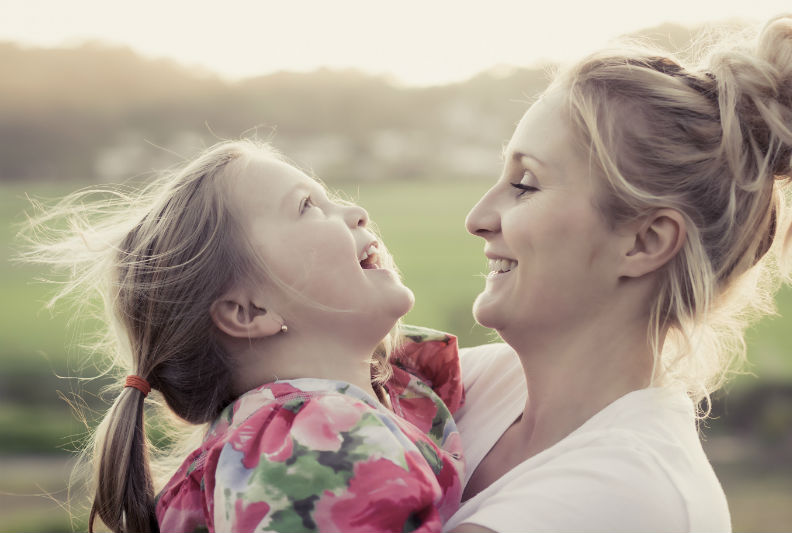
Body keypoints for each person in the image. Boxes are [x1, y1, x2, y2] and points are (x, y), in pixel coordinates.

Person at [445, 14, 792, 533]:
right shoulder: (472, 383)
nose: (476, 220)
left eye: (525, 183)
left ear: (644, 242)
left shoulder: (630, 493)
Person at [21, 140, 465, 533]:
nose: (356, 212)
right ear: (249, 311)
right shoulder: (316, 447)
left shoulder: (378, 396)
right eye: (307, 206)